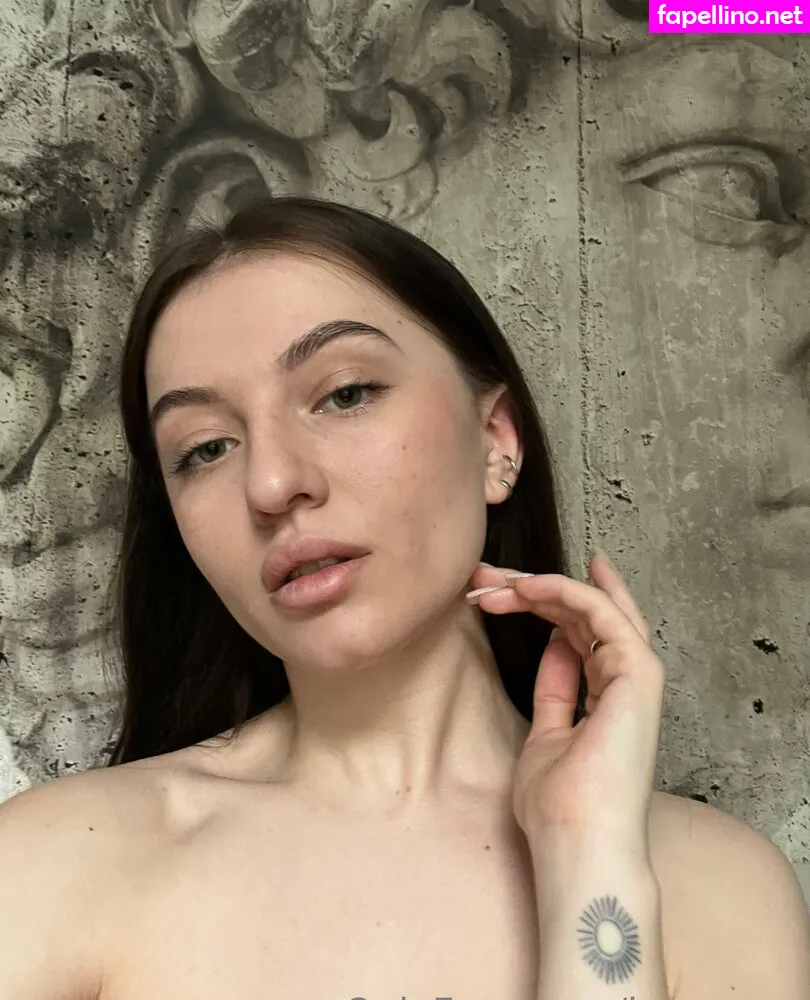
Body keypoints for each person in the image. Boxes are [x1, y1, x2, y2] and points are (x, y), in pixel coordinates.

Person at [0, 196, 807, 1000]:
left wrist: (588, 851)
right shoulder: (55, 866)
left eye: (345, 394)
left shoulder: (716, 890)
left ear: (496, 442)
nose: (273, 483)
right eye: (206, 448)